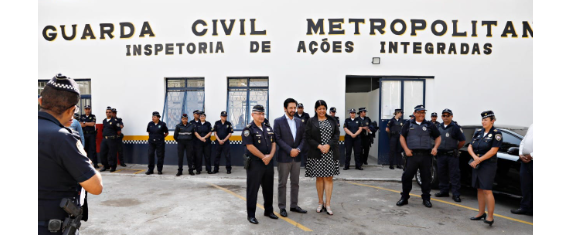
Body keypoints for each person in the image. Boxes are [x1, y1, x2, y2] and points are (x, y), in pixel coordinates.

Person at [38, 73, 103, 235]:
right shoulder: (63, 138)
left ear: (40, 101)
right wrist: (82, 153)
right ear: (72, 110)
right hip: (50, 227)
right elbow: (95, 186)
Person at [397, 105, 441, 208]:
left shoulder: (429, 125)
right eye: (420, 112)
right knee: (407, 177)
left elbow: (438, 137)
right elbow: (402, 137)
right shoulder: (408, 124)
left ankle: (426, 198)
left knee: (426, 178)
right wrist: (406, 149)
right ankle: (404, 197)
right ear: (415, 113)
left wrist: (435, 148)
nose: (422, 114)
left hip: (426, 156)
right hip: (412, 156)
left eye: (423, 113)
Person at [242, 105, 278, 224]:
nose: (261, 116)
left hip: (268, 162)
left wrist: (270, 156)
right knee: (253, 190)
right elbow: (250, 146)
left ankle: (269, 211)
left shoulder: (267, 127)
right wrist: (263, 157)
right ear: (253, 115)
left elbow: (273, 143)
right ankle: (251, 215)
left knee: (268, 188)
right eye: (258, 114)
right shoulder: (248, 129)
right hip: (255, 163)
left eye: (263, 114)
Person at [305, 100, 340, 215]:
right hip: (317, 153)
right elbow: (308, 137)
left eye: (324, 108)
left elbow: (336, 134)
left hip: (330, 153)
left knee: (329, 178)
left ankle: (328, 204)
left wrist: (328, 145)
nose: (322, 110)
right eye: (319, 108)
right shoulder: (311, 121)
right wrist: (319, 146)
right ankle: (320, 202)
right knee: (319, 178)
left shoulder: (332, 120)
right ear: (316, 109)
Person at [274, 98, 308, 217]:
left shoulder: (299, 122)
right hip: (284, 157)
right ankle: (282, 207)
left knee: (295, 182)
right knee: (282, 183)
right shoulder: (278, 121)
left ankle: (294, 205)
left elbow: (304, 138)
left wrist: (298, 149)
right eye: (291, 108)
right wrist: (290, 150)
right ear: (285, 108)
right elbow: (277, 138)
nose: (293, 110)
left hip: (296, 158)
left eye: (294, 107)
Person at [468, 110, 502, 226]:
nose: (483, 122)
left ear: (492, 121)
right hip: (477, 163)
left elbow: (493, 151)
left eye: (486, 120)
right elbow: (470, 146)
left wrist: (479, 160)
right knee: (479, 189)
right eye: (482, 119)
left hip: (488, 165)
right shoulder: (478, 132)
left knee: (487, 190)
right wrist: (474, 158)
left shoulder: (497, 134)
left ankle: (490, 216)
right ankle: (481, 213)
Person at [434, 109, 466, 202]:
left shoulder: (455, 127)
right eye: (444, 115)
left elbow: (462, 141)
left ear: (451, 116)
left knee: (454, 175)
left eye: (448, 115)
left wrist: (455, 149)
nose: (445, 117)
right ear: (441, 117)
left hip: (452, 155)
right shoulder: (438, 126)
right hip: (441, 155)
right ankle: (444, 191)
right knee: (442, 173)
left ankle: (456, 194)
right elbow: (435, 138)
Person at [511, 124, 533, 216]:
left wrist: (531, 155)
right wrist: (520, 153)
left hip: (531, 158)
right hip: (525, 160)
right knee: (525, 185)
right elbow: (524, 140)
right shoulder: (532, 125)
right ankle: (525, 207)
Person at [99, 106, 122, 172]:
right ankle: (105, 166)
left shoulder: (115, 121)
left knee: (112, 153)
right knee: (102, 153)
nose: (108, 113)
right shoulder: (104, 121)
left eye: (109, 112)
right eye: (107, 112)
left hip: (112, 139)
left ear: (112, 113)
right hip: (104, 139)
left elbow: (118, 131)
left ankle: (113, 166)